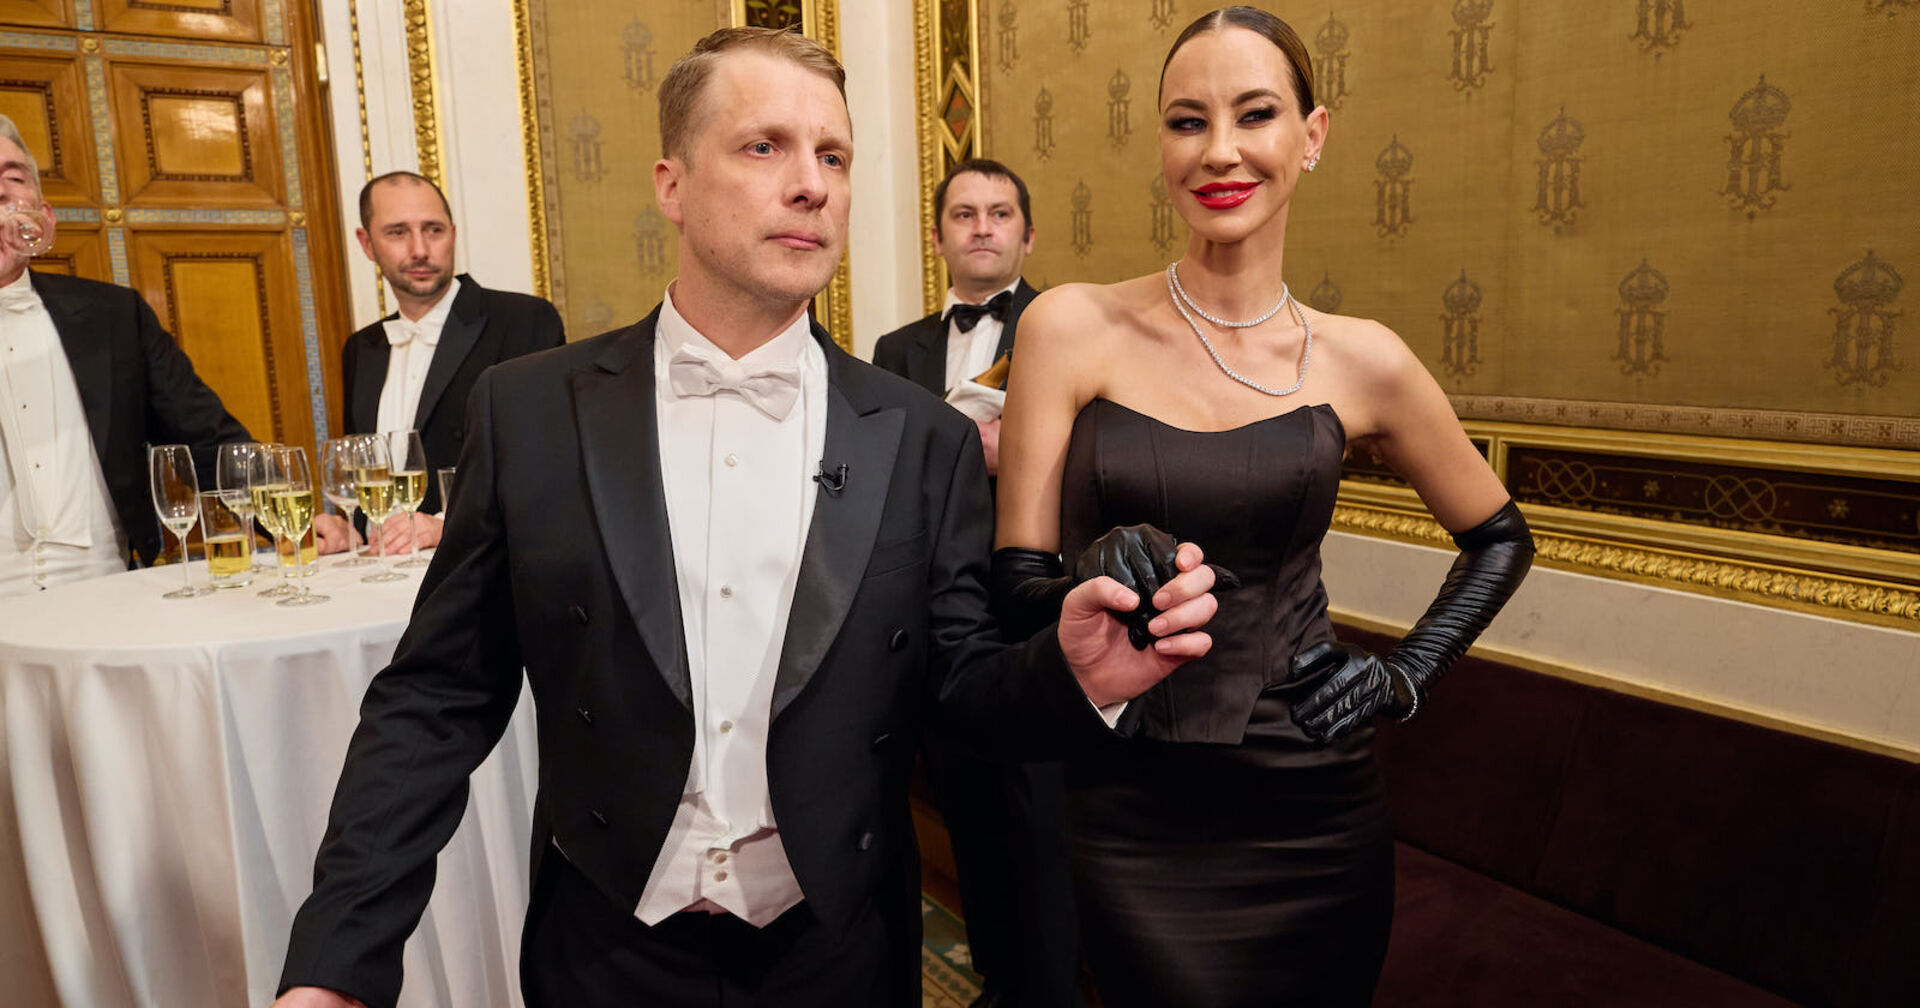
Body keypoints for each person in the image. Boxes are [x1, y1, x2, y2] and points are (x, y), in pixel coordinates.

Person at [273, 26, 1224, 1008]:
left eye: (834, 156)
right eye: (764, 146)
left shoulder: (920, 437)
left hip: (841, 955)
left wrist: (1071, 675)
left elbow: (959, 691)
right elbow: (437, 695)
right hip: (603, 953)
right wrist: (338, 963)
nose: (812, 184)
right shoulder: (529, 413)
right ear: (672, 185)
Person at [993, 7, 1535, 1006]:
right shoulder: (1069, 327)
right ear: (1161, 143)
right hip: (1130, 798)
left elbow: (1500, 539)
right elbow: (1015, 588)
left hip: (1315, 800)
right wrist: (1088, 575)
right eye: (1187, 121)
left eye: (1255, 114)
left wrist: (1405, 676)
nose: (1220, 150)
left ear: (1311, 135)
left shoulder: (1365, 358)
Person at [874, 158, 1076, 1007]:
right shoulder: (896, 351)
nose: (983, 227)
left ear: (1028, 235)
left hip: (1035, 612)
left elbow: (1097, 469)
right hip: (934, 614)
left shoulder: (1071, 330)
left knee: (1038, 819)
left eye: (1000, 213)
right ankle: (995, 977)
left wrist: (1012, 454)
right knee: (967, 814)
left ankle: (1052, 994)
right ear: (939, 237)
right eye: (964, 213)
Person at [0, 114, 252, 595]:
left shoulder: (115, 315)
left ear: (44, 215)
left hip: (108, 593)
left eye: (13, 179)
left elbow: (206, 437)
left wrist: (294, 512)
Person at [314, 170, 564, 555]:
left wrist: (446, 524)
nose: (419, 249)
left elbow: (546, 461)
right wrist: (349, 528)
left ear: (453, 233)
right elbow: (364, 474)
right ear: (367, 244)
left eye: (433, 230)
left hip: (477, 568)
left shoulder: (524, 321)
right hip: (380, 568)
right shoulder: (361, 348)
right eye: (397, 232)